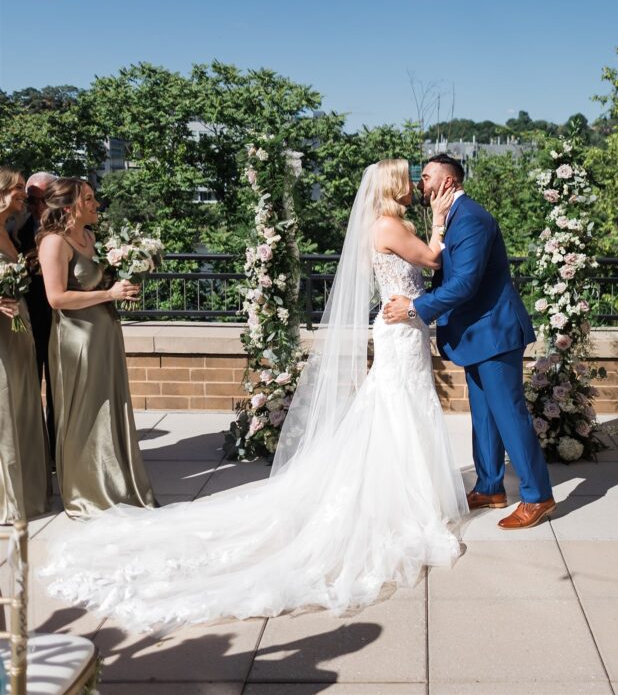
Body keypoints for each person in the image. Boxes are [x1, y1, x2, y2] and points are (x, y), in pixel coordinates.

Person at [41, 160, 467, 632]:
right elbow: (431, 260)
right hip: (400, 330)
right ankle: (404, 500)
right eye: (410, 179)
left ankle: (409, 491)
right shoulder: (388, 223)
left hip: (402, 328)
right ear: (394, 187)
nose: (415, 186)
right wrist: (441, 219)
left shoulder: (384, 223)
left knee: (396, 410)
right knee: (397, 409)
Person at [383, 153, 555, 529]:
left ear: (447, 182)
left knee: (509, 415)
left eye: (426, 177)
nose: (420, 184)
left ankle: (537, 496)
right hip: (476, 333)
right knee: (484, 415)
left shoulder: (473, 218)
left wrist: (415, 308)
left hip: (494, 331)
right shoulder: (453, 218)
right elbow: (438, 264)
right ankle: (491, 486)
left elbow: (464, 283)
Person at [38, 177, 156, 519]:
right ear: (71, 204)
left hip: (105, 335)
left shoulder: (90, 238)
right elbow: (56, 297)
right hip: (77, 342)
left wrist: (127, 279)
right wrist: (109, 294)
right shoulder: (54, 244)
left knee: (109, 409)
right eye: (88, 198)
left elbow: (100, 280)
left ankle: (115, 483)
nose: (96, 204)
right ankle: (85, 491)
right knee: (84, 414)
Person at [0, 167, 51, 522]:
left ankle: (25, 489)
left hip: (19, 329)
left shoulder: (9, 230)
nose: (24, 195)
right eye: (19, 189)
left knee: (20, 406)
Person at [14, 171, 57, 458]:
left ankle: (57, 452)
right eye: (31, 200)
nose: (35, 206)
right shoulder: (16, 233)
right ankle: (35, 452)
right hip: (28, 322)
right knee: (29, 388)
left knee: (59, 391)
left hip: (62, 320)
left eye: (41, 200)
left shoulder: (65, 229)